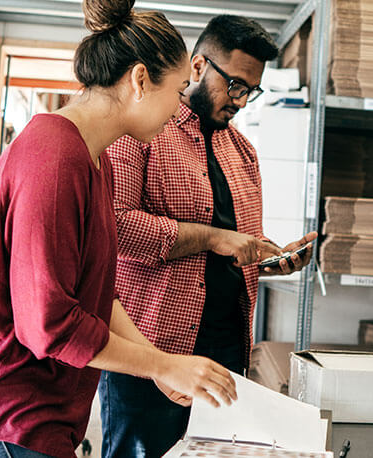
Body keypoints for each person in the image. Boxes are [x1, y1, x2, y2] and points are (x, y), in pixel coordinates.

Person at [0, 2, 238, 457]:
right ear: (139, 81)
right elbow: (49, 325)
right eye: (177, 92)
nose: (179, 109)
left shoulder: (95, 160)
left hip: (32, 411)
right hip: (1, 415)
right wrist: (162, 364)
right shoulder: (54, 158)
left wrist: (161, 368)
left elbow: (97, 295)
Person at [100, 14, 318, 457]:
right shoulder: (141, 132)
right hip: (151, 353)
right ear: (198, 67)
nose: (241, 101)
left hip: (225, 354)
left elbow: (239, 249)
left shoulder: (243, 151)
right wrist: (213, 237)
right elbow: (116, 226)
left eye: (250, 91)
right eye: (234, 85)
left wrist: (274, 260)